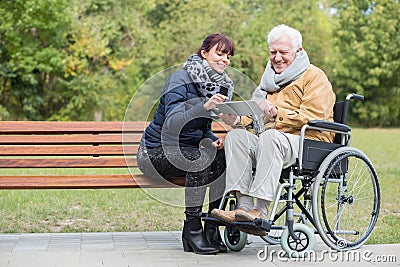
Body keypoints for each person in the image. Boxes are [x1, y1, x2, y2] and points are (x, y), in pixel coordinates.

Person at [211, 24, 336, 235]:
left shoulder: (314, 76)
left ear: (299, 51)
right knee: (236, 137)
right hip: (273, 141)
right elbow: (254, 117)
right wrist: (236, 119)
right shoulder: (268, 81)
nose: (277, 58)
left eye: (283, 52)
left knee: (270, 137)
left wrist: (277, 112)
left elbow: (315, 116)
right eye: (273, 52)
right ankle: (243, 207)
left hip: (309, 143)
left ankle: (260, 210)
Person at [137, 33, 235, 254]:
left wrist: (213, 140)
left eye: (228, 57)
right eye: (219, 54)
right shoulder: (180, 79)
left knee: (221, 156)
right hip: (154, 153)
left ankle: (213, 226)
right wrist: (204, 108)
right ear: (204, 53)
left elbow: (202, 128)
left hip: (185, 151)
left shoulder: (217, 86)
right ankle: (192, 229)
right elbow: (172, 124)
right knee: (198, 160)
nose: (225, 60)